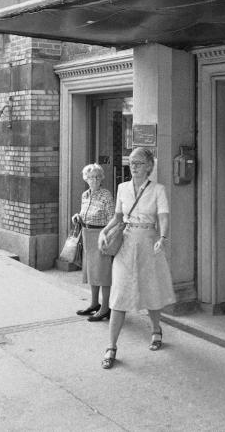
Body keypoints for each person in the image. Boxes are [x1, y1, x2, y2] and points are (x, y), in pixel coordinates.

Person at [98, 147, 175, 369]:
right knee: (119, 294)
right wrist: (104, 231)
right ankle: (111, 346)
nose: (134, 166)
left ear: (149, 166)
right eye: (131, 162)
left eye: (139, 163)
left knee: (150, 288)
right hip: (126, 243)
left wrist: (163, 237)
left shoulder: (158, 190)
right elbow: (117, 218)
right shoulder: (122, 188)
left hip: (149, 243)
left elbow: (163, 217)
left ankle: (156, 329)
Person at [73, 163, 114, 322]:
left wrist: (107, 237)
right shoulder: (85, 195)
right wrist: (78, 217)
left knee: (103, 273)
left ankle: (105, 308)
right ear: (86, 179)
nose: (94, 180)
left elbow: (112, 218)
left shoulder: (106, 195)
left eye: (97, 177)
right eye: (91, 177)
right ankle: (94, 304)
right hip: (87, 235)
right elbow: (85, 213)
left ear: (101, 178)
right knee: (92, 271)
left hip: (101, 235)